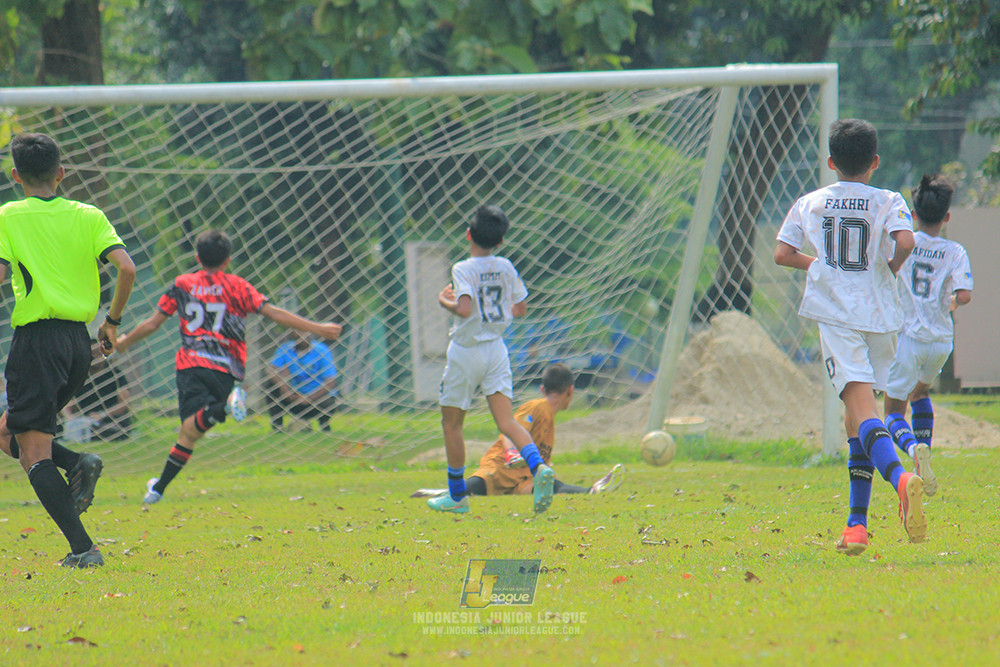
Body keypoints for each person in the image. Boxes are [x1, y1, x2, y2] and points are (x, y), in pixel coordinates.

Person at [774, 118, 923, 556]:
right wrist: (891, 267)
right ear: (875, 162)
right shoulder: (889, 199)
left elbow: (782, 253)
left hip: (839, 316)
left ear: (831, 161)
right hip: (882, 316)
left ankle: (901, 479)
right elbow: (907, 241)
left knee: (860, 412)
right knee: (857, 417)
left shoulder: (811, 202)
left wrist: (818, 267)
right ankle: (856, 527)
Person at [115, 229, 341, 504]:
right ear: (228, 259)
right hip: (226, 368)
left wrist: (125, 342)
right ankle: (158, 489)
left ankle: (217, 416)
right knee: (190, 432)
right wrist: (319, 328)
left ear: (197, 257)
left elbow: (152, 323)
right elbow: (276, 314)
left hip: (192, 365)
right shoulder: (238, 286)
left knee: (189, 429)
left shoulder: (183, 284)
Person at [0, 132, 136, 568]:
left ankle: (84, 550)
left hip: (37, 343)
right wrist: (111, 323)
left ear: (15, 175)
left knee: (33, 453)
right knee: (7, 431)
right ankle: (79, 461)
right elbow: (127, 268)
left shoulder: (9, 215)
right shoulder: (89, 214)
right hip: (79, 342)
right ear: (61, 172)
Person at [429, 204, 554, 515]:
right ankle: (539, 468)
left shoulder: (463, 268)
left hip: (466, 350)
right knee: (506, 421)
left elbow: (464, 310)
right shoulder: (506, 266)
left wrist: (444, 301)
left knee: (452, 424)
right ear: (500, 242)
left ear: (468, 234)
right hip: (497, 349)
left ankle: (457, 496)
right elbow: (520, 308)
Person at [883, 175, 973, 499]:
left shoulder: (905, 244)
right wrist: (950, 301)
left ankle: (912, 447)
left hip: (910, 338)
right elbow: (965, 295)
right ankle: (926, 457)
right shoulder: (955, 250)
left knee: (893, 411)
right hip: (942, 342)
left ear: (914, 215)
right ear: (947, 217)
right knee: (920, 394)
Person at [413, 363, 625, 499]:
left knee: (548, 487)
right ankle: (443, 494)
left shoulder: (549, 418)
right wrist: (513, 453)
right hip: (502, 466)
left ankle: (591, 491)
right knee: (479, 485)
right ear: (570, 390)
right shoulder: (537, 407)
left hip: (521, 478)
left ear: (543, 388)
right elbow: (508, 431)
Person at [264, 329, 339, 432]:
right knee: (270, 386)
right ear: (292, 334)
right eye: (298, 331)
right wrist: (285, 389)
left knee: (329, 398)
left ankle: (325, 427)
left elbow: (330, 381)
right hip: (293, 396)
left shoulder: (322, 350)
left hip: (316, 399)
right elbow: (270, 369)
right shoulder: (285, 349)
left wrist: (309, 398)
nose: (302, 335)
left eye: (304, 331)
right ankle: (277, 428)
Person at [62, 339, 134, 442]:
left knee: (108, 430)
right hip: (84, 421)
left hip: (108, 420)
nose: (95, 357)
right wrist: (70, 419)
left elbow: (124, 404)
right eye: (93, 354)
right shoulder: (79, 375)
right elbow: (68, 401)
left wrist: (102, 415)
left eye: (98, 353)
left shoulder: (115, 374)